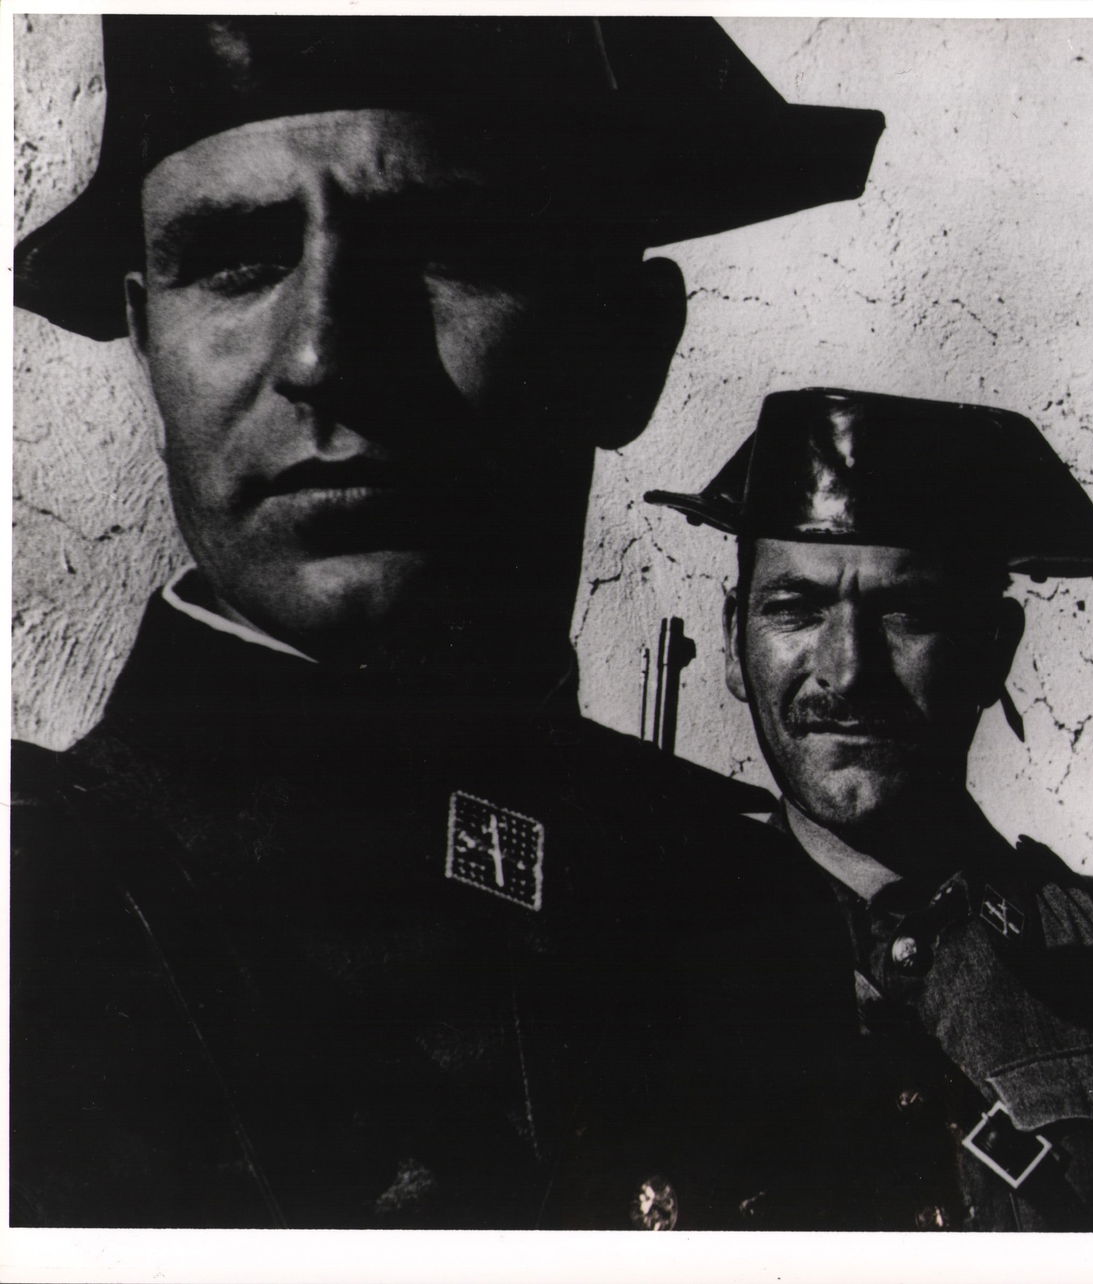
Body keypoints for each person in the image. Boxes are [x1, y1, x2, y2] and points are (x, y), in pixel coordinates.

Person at [10, 14, 884, 1229]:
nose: (323, 352)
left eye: (447, 245)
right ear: (147, 336)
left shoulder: (741, 910)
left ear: (627, 349)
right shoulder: (39, 908)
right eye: (236, 261)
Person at [646, 386, 1093, 1230]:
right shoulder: (640, 966)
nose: (845, 670)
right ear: (731, 641)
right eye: (795, 609)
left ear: (994, 650)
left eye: (905, 613)